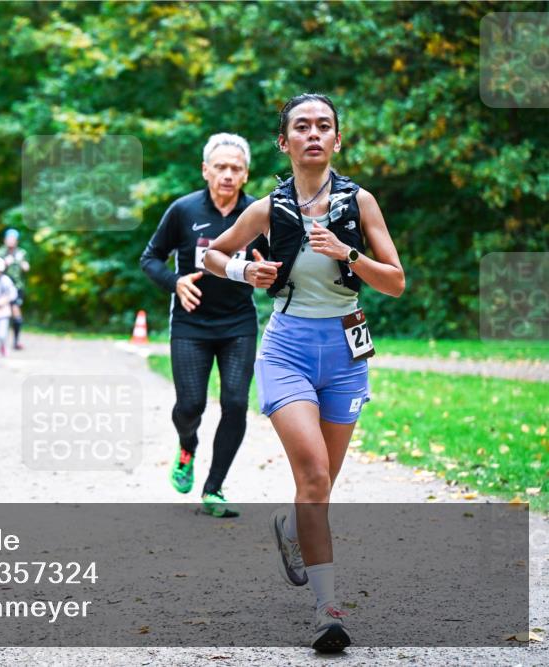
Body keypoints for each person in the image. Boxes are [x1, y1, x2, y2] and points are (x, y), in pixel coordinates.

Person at [203, 93, 405, 652]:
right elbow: (211, 255)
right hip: (287, 348)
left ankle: (292, 529)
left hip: (346, 350)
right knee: (314, 475)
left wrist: (348, 254)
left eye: (324, 126)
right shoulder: (268, 207)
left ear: (337, 140)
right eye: (301, 126)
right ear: (284, 141)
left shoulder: (359, 203)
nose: (313, 134)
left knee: (318, 487)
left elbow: (395, 280)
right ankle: (327, 609)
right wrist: (247, 270)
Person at [140, 133, 268, 518]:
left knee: (234, 404)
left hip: (238, 324)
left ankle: (213, 489)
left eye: (236, 168)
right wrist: (175, 283)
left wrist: (268, 272)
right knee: (190, 405)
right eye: (221, 167)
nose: (228, 174)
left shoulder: (259, 214)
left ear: (246, 174)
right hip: (191, 324)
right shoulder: (183, 210)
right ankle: (187, 446)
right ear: (205, 170)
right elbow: (150, 258)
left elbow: (278, 264)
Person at [0, 228, 30, 351]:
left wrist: (25, 266)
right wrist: (4, 263)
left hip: (17, 287)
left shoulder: (21, 253)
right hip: (1, 287)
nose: (10, 241)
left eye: (13, 239)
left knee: (16, 312)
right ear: (5, 240)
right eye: (8, 238)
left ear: (16, 241)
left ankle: (16, 340)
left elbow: (26, 267)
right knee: (1, 313)